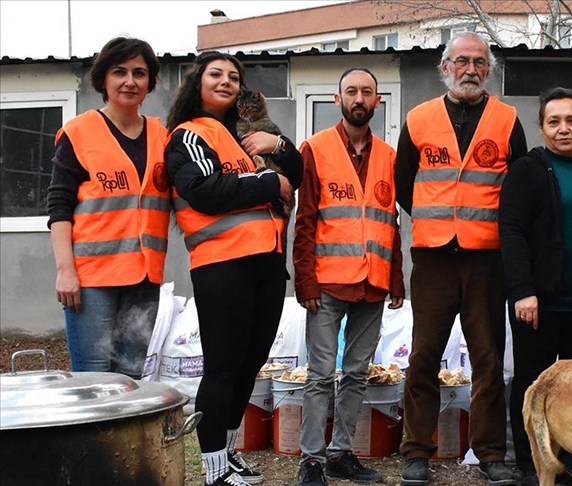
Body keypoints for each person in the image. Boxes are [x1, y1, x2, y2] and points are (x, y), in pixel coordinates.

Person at [395, 32, 528, 486]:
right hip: (433, 257)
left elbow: (517, 192)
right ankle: (417, 452)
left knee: (488, 359)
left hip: (487, 259)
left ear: (488, 70)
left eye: (478, 62)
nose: (469, 69)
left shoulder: (508, 120)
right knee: (423, 356)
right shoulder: (417, 118)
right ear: (445, 67)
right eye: (461, 61)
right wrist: (440, 223)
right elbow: (402, 185)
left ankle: (489, 453)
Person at [164, 51, 302, 486]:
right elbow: (204, 190)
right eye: (216, 74)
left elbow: (294, 172)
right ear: (197, 83)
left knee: (249, 363)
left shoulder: (239, 139)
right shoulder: (188, 135)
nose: (226, 82)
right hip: (222, 264)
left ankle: (226, 453)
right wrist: (266, 183)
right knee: (223, 365)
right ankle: (213, 470)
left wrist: (275, 156)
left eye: (234, 77)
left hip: (264, 265)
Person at [292, 67, 405, 486]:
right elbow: (304, 221)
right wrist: (304, 280)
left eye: (367, 92)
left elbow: (390, 222)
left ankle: (341, 454)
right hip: (326, 284)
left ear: (377, 102)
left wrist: (396, 278)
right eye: (351, 91)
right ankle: (311, 461)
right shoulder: (315, 149)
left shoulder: (389, 157)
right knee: (320, 375)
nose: (360, 98)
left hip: (372, 283)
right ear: (338, 100)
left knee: (357, 373)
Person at [499, 87, 572, 486]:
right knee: (535, 384)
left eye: (571, 121)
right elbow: (511, 233)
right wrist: (522, 290)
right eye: (554, 121)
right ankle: (535, 462)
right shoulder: (527, 171)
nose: (563, 129)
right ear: (542, 127)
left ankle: (570, 457)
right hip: (539, 303)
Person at [47, 37, 168, 379]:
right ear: (104, 79)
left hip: (144, 276)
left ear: (150, 83)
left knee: (129, 377)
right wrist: (65, 271)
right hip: (91, 278)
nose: (130, 81)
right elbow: (59, 207)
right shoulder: (79, 133)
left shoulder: (163, 137)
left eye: (139, 73)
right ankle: (87, 437)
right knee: (92, 378)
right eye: (120, 72)